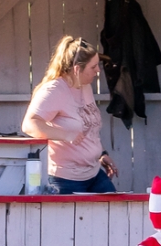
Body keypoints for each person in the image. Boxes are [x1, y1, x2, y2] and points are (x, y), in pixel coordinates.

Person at [22, 37, 117, 194]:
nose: (98, 71)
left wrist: (101, 153)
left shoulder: (84, 86)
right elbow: (29, 124)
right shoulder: (54, 90)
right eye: (93, 67)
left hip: (93, 173)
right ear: (77, 69)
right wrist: (65, 134)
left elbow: (88, 126)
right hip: (65, 179)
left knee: (115, 213)